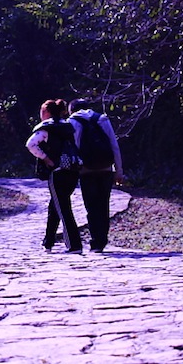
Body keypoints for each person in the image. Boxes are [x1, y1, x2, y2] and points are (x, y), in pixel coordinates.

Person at [25, 99, 83, 254]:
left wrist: (46, 158)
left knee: (62, 207)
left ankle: (74, 244)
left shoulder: (46, 128)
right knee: (55, 206)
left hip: (57, 171)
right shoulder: (68, 126)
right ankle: (48, 242)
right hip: (72, 169)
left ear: (46, 112)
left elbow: (31, 144)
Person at [68, 98, 125, 253]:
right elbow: (114, 145)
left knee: (91, 206)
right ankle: (102, 240)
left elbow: (74, 148)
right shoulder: (102, 119)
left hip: (86, 171)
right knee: (103, 204)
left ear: (71, 109)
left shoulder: (72, 122)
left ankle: (95, 243)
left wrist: (72, 172)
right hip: (106, 169)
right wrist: (118, 171)